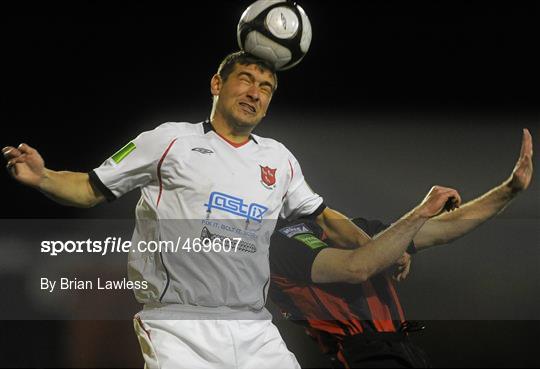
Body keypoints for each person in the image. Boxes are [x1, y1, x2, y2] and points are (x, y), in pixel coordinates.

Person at [1, 50, 463, 369]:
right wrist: (43, 178)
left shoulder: (278, 159)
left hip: (253, 325)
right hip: (178, 324)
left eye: (266, 86)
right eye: (246, 79)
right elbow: (89, 188)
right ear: (217, 83)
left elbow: (323, 218)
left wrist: (376, 247)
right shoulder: (168, 141)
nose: (255, 92)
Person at [269, 129, 534, 368]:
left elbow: (442, 229)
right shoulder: (280, 242)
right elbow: (356, 267)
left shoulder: (354, 231)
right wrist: (418, 214)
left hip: (403, 350)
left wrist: (510, 189)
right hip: (361, 355)